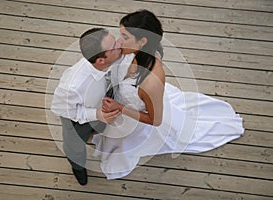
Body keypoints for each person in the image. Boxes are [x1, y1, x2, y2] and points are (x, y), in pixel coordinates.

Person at [92, 10, 245, 179]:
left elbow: (155, 120)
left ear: (142, 41)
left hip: (140, 118)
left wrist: (120, 108)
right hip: (125, 104)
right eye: (120, 34)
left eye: (125, 37)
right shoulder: (132, 52)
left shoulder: (151, 81)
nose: (119, 42)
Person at [51, 28, 125, 185]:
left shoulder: (116, 56)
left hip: (104, 104)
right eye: (114, 46)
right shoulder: (72, 86)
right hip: (77, 119)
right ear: (100, 61)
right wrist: (96, 114)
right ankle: (78, 167)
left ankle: (97, 129)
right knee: (75, 148)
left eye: (116, 39)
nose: (120, 44)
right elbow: (61, 109)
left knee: (101, 128)